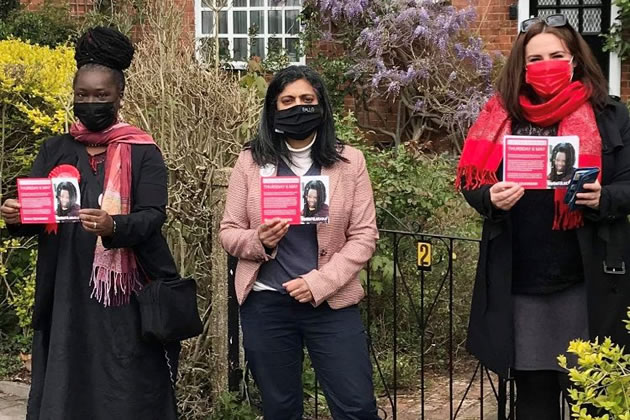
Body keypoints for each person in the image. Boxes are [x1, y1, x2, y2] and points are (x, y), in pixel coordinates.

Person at [0, 27, 180, 419]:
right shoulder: (55, 149)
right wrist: (17, 217)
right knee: (68, 385)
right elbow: (39, 215)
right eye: (83, 94)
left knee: (126, 385)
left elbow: (153, 216)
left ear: (119, 96)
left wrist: (114, 227)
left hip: (125, 300)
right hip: (66, 292)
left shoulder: (144, 151)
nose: (91, 102)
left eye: (101, 95)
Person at [456, 14, 630, 419]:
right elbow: (472, 183)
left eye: (556, 55)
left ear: (574, 60)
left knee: (593, 400)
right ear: (521, 64)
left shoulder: (610, 115)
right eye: (535, 59)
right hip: (521, 283)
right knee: (533, 402)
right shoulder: (499, 115)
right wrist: (490, 196)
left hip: (587, 282)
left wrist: (601, 197)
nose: (546, 65)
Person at [220, 65, 381, 420]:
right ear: (273, 108)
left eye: (307, 100)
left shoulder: (349, 161)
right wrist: (258, 240)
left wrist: (319, 283)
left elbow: (364, 235)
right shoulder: (250, 161)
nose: (298, 107)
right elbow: (229, 231)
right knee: (280, 408)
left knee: (357, 406)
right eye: (287, 100)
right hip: (266, 303)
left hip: (331, 304)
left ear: (321, 106)